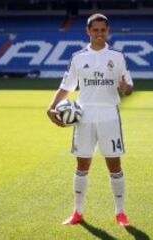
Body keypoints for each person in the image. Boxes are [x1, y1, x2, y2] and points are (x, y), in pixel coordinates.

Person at [47, 13, 133, 227]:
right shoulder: (78, 57)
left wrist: (126, 89)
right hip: (84, 116)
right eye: (95, 30)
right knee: (82, 162)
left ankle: (120, 213)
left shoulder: (118, 56)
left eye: (103, 30)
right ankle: (77, 212)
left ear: (108, 31)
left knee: (114, 164)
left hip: (109, 115)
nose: (99, 33)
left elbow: (128, 86)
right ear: (88, 31)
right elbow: (66, 86)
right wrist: (50, 107)